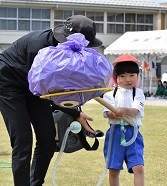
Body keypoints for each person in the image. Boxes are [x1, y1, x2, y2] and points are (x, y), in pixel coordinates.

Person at [0, 15, 102, 186]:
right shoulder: (39, 47)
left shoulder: (68, 54)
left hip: (34, 87)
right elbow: (50, 92)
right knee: (22, 140)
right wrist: (73, 112)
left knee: (48, 138)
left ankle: (35, 183)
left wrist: (77, 113)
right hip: (9, 82)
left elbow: (61, 89)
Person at [102, 54, 145, 186]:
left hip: (133, 133)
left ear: (137, 76)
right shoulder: (109, 94)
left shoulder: (138, 93)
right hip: (115, 134)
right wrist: (114, 114)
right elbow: (107, 113)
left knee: (138, 167)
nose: (128, 79)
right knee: (114, 169)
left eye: (132, 75)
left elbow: (136, 110)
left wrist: (125, 110)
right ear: (116, 78)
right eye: (122, 76)